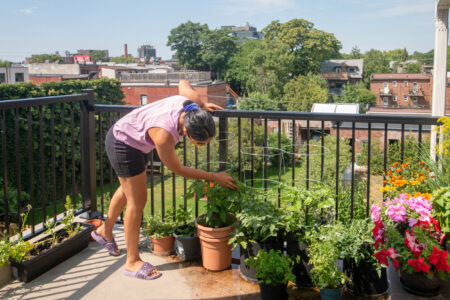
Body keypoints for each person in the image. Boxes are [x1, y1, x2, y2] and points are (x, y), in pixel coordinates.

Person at [91, 80, 237, 280]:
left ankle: (105, 230)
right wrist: (214, 177)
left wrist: (201, 107)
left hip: (136, 140)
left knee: (127, 190)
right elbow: (177, 168)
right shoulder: (164, 135)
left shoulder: (192, 104)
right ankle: (132, 262)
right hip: (123, 142)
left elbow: (182, 82)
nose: (202, 146)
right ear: (186, 132)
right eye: (201, 143)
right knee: (137, 200)